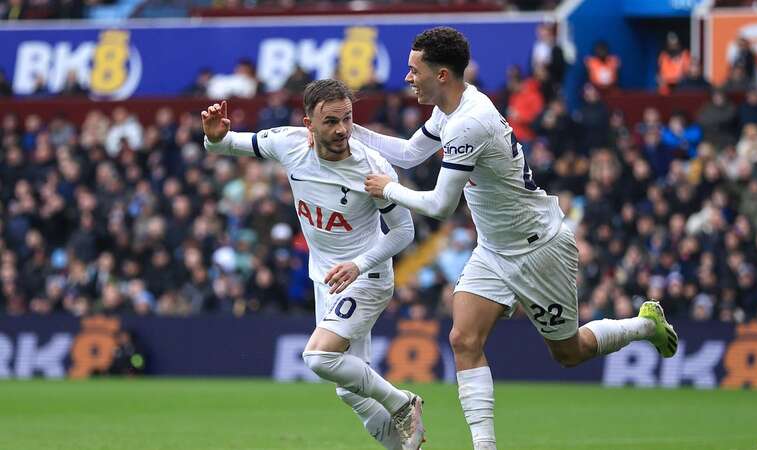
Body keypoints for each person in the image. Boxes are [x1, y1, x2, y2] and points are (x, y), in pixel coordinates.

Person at [355, 26, 678, 450]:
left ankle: (643, 325)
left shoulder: (470, 123)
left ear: (443, 75)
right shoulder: (450, 110)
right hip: (494, 250)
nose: (407, 78)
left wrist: (387, 189)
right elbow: (409, 153)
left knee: (569, 352)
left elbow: (439, 205)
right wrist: (349, 130)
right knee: (462, 339)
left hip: (538, 249)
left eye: (414, 70)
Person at [201, 79, 425, 450]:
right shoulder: (288, 144)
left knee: (319, 356)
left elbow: (404, 232)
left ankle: (402, 402)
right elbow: (227, 143)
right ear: (308, 124)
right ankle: (405, 446)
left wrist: (357, 264)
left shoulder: (371, 168)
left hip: (366, 275)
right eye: (330, 122)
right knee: (348, 389)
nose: (341, 130)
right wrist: (213, 138)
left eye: (347, 119)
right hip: (326, 279)